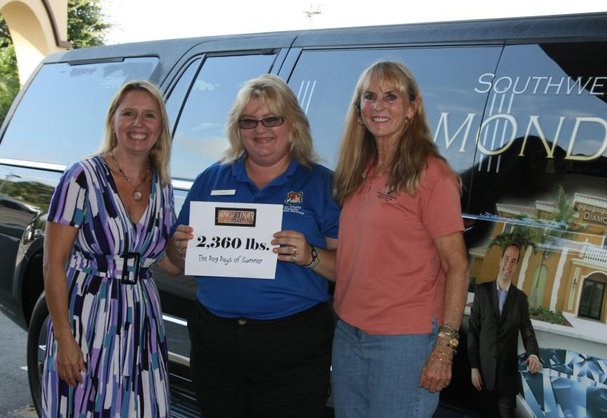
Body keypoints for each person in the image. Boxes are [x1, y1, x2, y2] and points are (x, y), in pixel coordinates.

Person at [167, 74, 339, 418]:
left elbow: (348, 269)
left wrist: (311, 255)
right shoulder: (211, 179)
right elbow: (173, 265)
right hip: (215, 342)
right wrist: (177, 245)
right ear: (238, 128)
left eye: (272, 119)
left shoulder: (321, 184)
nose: (261, 130)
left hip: (292, 346)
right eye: (249, 121)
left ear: (293, 124)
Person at [331, 60, 469, 417]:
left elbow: (457, 266)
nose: (379, 106)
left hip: (403, 343)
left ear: (412, 107)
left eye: (391, 96)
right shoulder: (358, 169)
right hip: (349, 334)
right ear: (359, 109)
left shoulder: (432, 174)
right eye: (370, 97)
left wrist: (444, 348)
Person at [42, 80, 180, 417]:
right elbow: (53, 263)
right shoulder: (82, 177)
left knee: (141, 407)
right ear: (113, 120)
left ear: (160, 126)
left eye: (149, 116)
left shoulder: (162, 184)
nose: (138, 124)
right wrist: (64, 340)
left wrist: (193, 247)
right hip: (89, 316)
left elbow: (168, 263)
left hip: (142, 320)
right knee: (85, 407)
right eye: (129, 113)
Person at [467, 242, 541, 418]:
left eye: (513, 261)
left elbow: (527, 330)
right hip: (483, 376)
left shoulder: (520, 299)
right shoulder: (482, 291)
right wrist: (474, 367)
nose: (508, 264)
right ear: (500, 260)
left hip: (507, 381)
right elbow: (473, 331)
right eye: (506, 258)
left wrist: (533, 354)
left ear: (516, 266)